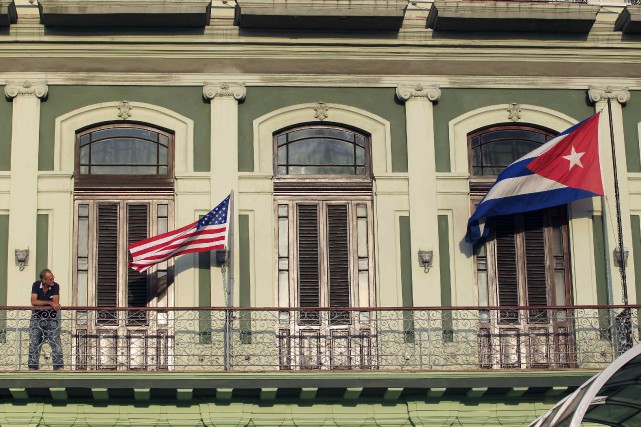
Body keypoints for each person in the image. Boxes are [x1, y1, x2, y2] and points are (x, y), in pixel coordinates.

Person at [28, 268, 64, 370]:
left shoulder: (55, 286)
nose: (52, 281)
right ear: (43, 280)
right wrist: (49, 302)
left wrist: (51, 303)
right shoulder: (36, 285)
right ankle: (33, 367)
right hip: (37, 318)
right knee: (34, 342)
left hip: (51, 319)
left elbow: (56, 303)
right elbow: (34, 301)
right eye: (50, 279)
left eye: (53, 278)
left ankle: (58, 367)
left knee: (55, 342)